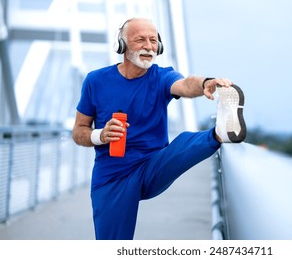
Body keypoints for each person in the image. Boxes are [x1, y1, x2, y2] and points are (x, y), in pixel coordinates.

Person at [72, 18, 246, 240]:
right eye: (140, 40)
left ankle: (219, 132)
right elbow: (78, 131)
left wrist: (205, 84)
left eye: (153, 40)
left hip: (151, 167)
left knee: (182, 143)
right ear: (122, 45)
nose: (149, 46)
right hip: (112, 176)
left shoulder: (161, 76)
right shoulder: (95, 81)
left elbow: (184, 84)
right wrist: (100, 135)